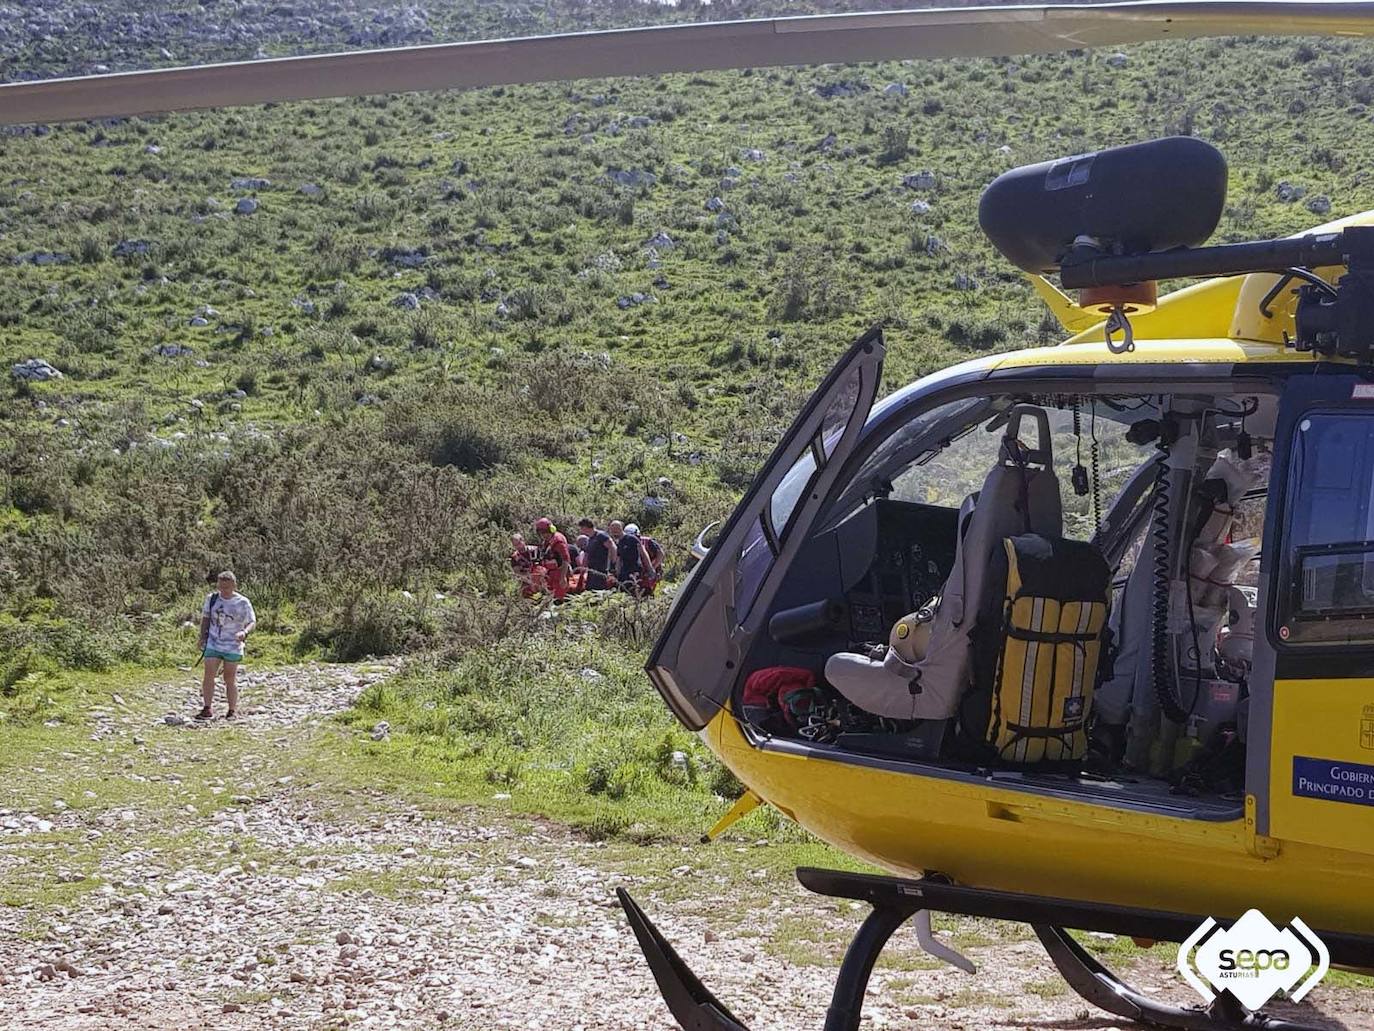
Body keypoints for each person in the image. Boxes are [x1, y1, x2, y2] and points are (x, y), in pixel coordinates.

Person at [197, 570, 255, 720]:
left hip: (233, 645)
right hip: (214, 642)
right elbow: (206, 618)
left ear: (234, 586)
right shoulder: (212, 599)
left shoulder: (243, 602)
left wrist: (244, 633)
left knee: (229, 678)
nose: (224, 591)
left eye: (227, 588)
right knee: (209, 674)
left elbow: (252, 621)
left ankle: (232, 710)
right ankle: (207, 707)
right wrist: (202, 637)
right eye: (221, 587)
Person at [609, 520, 654, 596]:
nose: (614, 532)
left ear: (621, 528)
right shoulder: (619, 542)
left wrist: (650, 569)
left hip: (635, 571)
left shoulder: (632, 539)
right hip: (624, 572)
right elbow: (619, 559)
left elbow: (643, 553)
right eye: (612, 530)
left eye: (616, 529)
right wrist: (617, 573)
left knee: (635, 591)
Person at [534, 517, 572, 603]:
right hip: (551, 574)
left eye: (545, 532)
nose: (543, 535)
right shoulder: (547, 541)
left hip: (560, 573)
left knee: (559, 599)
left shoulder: (558, 541)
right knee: (550, 598)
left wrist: (563, 577)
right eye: (541, 533)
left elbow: (566, 560)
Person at [578, 517, 615, 590]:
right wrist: (583, 569)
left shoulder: (601, 536)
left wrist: (612, 564)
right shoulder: (589, 539)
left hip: (601, 570)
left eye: (581, 528)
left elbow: (612, 547)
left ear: (585, 527)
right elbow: (586, 555)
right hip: (591, 570)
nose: (581, 530)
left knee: (599, 590)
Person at [627, 523, 664, 594]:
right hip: (636, 572)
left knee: (647, 590)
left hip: (649, 571)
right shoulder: (625, 543)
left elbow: (660, 554)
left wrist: (652, 567)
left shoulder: (647, 541)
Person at [509, 533, 541, 598]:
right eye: (515, 545)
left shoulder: (535, 550)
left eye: (519, 543)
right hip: (526, 579)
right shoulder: (515, 557)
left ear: (523, 541)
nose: (518, 546)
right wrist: (530, 581)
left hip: (540, 576)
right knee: (524, 593)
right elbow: (517, 572)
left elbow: (543, 564)